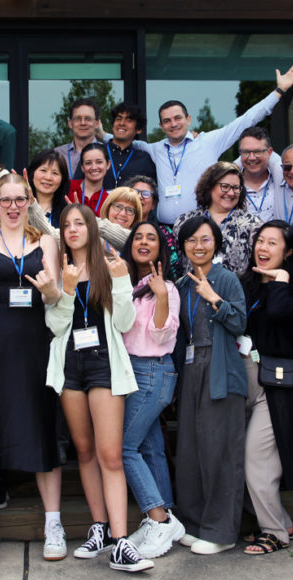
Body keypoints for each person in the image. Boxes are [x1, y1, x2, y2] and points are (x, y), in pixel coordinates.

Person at [44, 203, 153, 572]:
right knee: (85, 450)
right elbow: (56, 326)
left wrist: (121, 281)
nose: (73, 229)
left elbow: (124, 322)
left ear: (92, 228)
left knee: (110, 455)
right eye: (66, 225)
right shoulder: (58, 270)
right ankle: (100, 528)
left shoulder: (111, 267)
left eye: (80, 223)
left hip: (104, 364)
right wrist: (66, 289)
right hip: (70, 365)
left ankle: (121, 542)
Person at [0, 173, 65, 564]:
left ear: (29, 202)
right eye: (4, 200)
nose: (12, 206)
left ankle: (53, 523)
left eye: (19, 199)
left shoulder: (47, 241)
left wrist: (51, 290)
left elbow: (54, 295)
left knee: (42, 426)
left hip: (36, 347)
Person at [106, 62, 293, 224]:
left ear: (188, 119)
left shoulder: (209, 141)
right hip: (166, 231)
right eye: (167, 121)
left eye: (178, 118)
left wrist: (279, 91)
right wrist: (98, 132)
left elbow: (247, 120)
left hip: (201, 228)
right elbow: (121, 140)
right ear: (161, 126)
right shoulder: (155, 148)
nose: (173, 124)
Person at [239, 221, 293, 555]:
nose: (263, 247)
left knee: (256, 457)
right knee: (243, 457)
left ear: (288, 252)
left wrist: (280, 280)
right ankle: (281, 520)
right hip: (245, 383)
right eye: (260, 241)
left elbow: (281, 313)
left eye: (273, 243)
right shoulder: (247, 283)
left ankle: (274, 532)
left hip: (277, 387)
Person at [175, 215, 247, 554]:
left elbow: (240, 322)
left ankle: (221, 532)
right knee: (190, 449)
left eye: (205, 239)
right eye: (191, 240)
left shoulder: (227, 278)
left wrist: (214, 298)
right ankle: (194, 524)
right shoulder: (181, 284)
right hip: (190, 369)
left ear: (216, 243)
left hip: (220, 369)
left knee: (220, 451)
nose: (198, 246)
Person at [119, 221, 184, 559]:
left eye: (152, 238)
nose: (144, 242)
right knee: (150, 446)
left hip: (151, 370)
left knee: (125, 449)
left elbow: (162, 336)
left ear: (161, 248)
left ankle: (159, 519)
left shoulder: (166, 287)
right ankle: (166, 515)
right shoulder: (128, 283)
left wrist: (160, 296)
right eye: (139, 237)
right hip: (131, 371)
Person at [172, 162, 262, 276]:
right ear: (209, 186)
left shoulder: (253, 224)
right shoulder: (184, 221)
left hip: (234, 287)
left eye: (236, 188)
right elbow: (176, 264)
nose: (231, 193)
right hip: (193, 285)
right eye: (225, 186)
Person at [125, 175, 182, 281]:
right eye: (135, 192)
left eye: (146, 194)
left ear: (154, 205)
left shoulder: (164, 233)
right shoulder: (116, 227)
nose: (140, 196)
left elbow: (174, 271)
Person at [102, 103, 156, 190]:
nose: (122, 123)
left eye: (129, 120)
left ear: (138, 129)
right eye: (118, 119)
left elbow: (151, 193)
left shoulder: (144, 159)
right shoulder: (95, 152)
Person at [235, 127, 279, 222]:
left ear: (269, 152)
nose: (252, 158)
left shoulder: (282, 182)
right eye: (246, 152)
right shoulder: (230, 188)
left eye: (257, 152)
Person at [54, 98, 101, 178]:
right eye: (78, 119)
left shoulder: (108, 153)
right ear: (70, 123)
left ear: (97, 123)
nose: (83, 123)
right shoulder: (57, 154)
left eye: (88, 119)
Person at [27, 149, 69, 228]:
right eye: (43, 170)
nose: (48, 177)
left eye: (55, 173)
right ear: (32, 173)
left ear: (62, 180)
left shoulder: (66, 213)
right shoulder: (19, 206)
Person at [68, 143, 110, 217]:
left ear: (108, 164)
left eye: (99, 162)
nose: (94, 167)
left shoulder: (109, 201)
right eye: (88, 163)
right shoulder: (68, 187)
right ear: (82, 167)